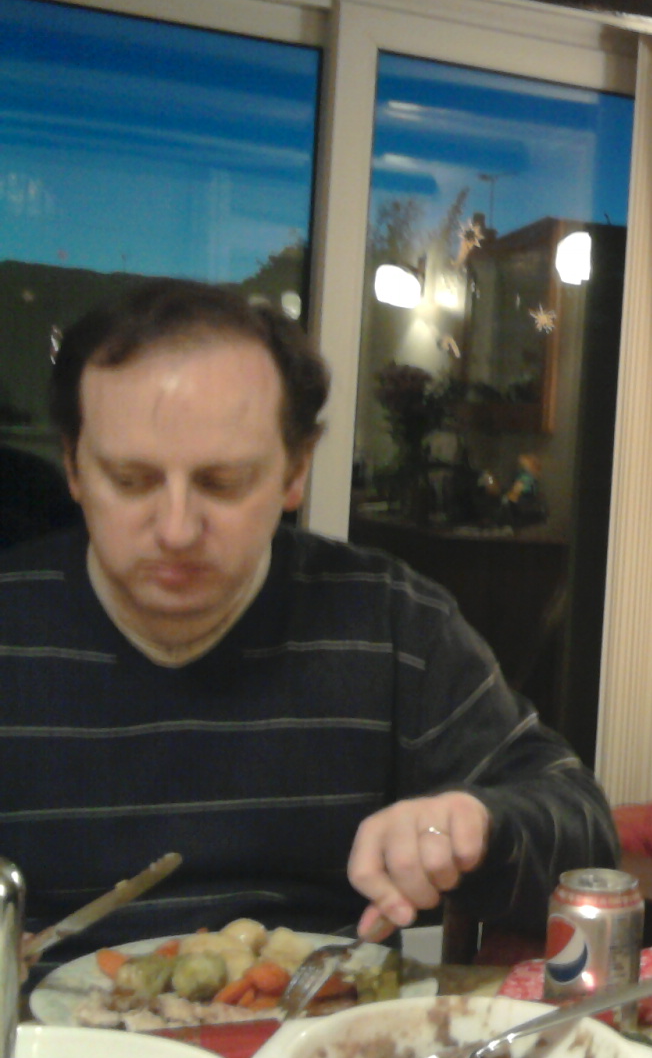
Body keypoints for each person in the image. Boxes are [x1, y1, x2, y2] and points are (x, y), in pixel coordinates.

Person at [0, 279, 618, 965]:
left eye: (223, 483)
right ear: (72, 467)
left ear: (295, 471)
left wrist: (481, 826)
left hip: (325, 1023)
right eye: (131, 480)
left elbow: (586, 837)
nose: (176, 530)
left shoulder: (389, 622)